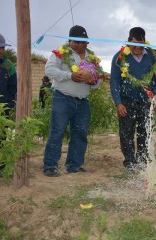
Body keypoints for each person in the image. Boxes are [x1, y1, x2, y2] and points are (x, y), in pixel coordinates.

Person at [43, 25, 103, 177]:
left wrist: (93, 82)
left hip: (83, 101)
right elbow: (49, 69)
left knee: (80, 133)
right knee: (57, 132)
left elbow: (99, 80)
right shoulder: (61, 53)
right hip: (62, 99)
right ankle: (50, 166)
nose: (80, 45)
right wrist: (70, 75)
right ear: (69, 41)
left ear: (87, 43)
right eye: (77, 42)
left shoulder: (92, 58)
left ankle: (74, 165)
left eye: (84, 42)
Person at [110, 27, 156, 171]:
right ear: (128, 41)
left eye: (140, 43)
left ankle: (142, 160)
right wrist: (118, 103)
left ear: (145, 42)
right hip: (126, 102)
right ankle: (129, 162)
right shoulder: (120, 57)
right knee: (126, 133)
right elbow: (114, 81)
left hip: (146, 103)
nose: (137, 47)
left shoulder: (151, 57)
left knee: (144, 132)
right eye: (134, 43)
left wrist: (155, 97)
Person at [0, 32, 17, 116]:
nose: (1, 51)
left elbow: (13, 89)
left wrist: (9, 106)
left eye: (2, 47)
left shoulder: (9, 65)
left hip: (3, 110)